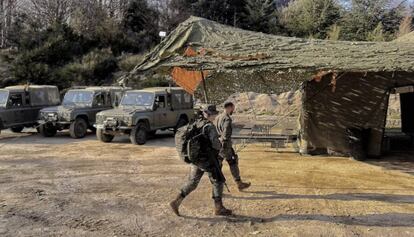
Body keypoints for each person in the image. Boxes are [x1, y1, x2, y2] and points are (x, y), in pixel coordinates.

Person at [170, 105, 232, 216]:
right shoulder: (209, 126)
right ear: (212, 114)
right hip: (207, 159)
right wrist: (221, 143)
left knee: (193, 182)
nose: (216, 116)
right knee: (218, 180)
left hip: (196, 158)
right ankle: (219, 208)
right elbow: (216, 146)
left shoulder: (196, 122)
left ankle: (176, 201)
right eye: (215, 114)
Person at [215, 101, 251, 191]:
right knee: (231, 163)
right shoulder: (227, 119)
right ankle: (237, 184)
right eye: (233, 108)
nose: (233, 110)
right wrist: (225, 145)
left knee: (220, 165)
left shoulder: (218, 117)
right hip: (224, 145)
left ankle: (236, 184)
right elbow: (226, 134)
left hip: (219, 144)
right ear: (229, 107)